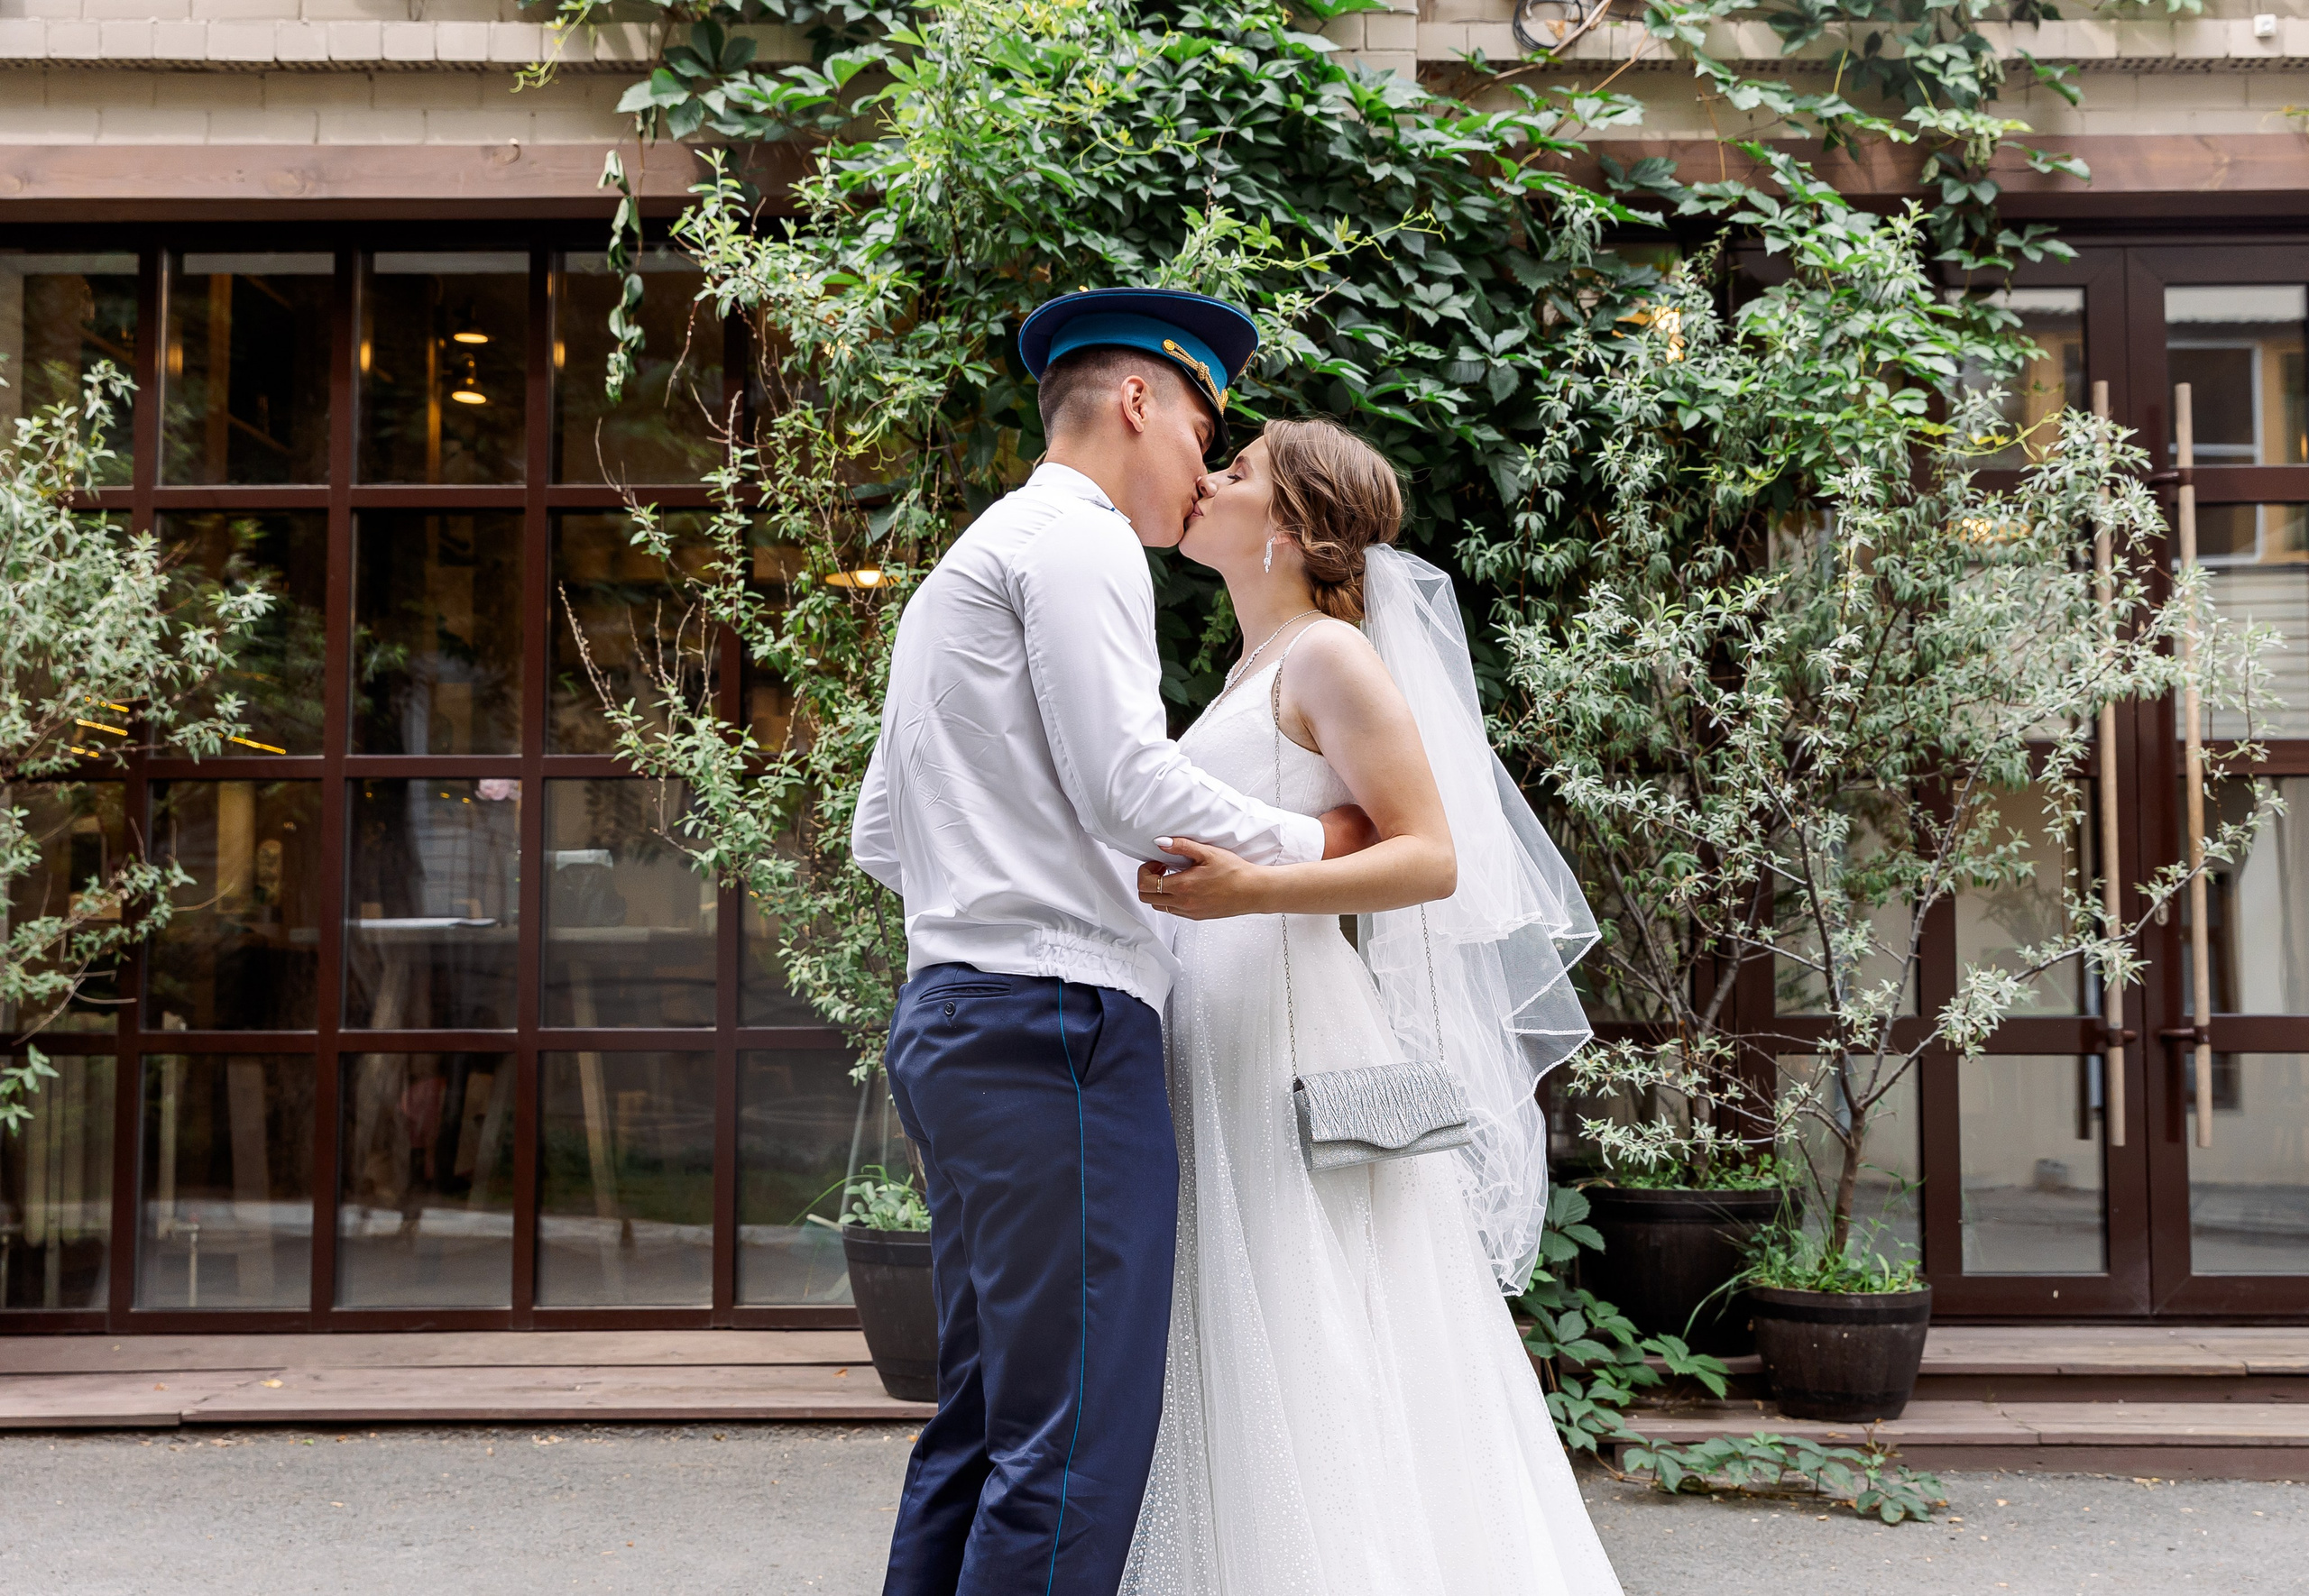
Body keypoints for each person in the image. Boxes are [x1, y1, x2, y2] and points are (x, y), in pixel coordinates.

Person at [851, 289, 1376, 1596]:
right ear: (1139, 399)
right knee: (1076, 1434)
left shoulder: (966, 562)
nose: (1206, 465)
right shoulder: (1080, 543)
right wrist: (1321, 845)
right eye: (1205, 425)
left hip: (960, 1021)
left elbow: (879, 830)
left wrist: (1017, 865)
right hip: (1055, 1035)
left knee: (986, 1420)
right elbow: (1123, 778)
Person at [1121, 418, 1621, 1595]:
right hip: (1225, 1028)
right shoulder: (1256, 666)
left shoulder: (1329, 657)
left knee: (1316, 1332)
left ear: (1287, 527)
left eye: (1235, 472)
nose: (1209, 482)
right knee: (1249, 1342)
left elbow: (1433, 855)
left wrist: (1255, 888)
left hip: (1295, 1037)